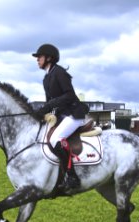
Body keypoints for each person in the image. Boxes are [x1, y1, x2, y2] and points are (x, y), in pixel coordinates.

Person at [32, 43, 89, 190]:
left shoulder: (59, 72)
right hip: (62, 116)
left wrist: (49, 106)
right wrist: (41, 113)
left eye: (40, 57)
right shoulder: (46, 78)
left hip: (73, 114)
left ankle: (72, 176)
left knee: (55, 139)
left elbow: (69, 95)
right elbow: (48, 102)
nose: (37, 59)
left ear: (49, 58)